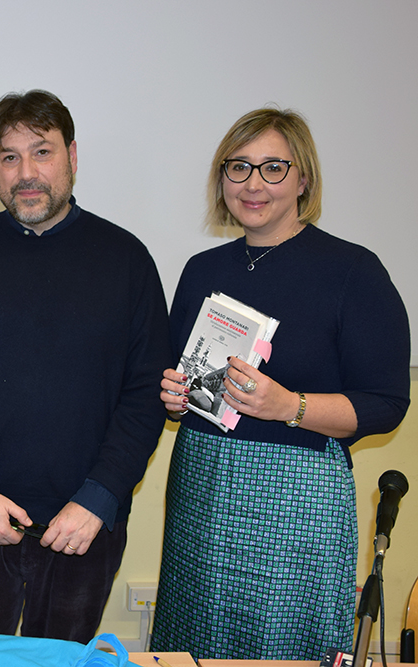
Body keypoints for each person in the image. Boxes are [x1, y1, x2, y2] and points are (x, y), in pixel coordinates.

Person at [0, 90, 171, 651]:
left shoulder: (127, 260)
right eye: (9, 157)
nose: (26, 173)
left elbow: (145, 393)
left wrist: (99, 499)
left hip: (83, 526)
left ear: (73, 156)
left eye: (42, 152)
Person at [149, 108, 411, 660]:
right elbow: (180, 375)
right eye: (238, 167)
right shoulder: (201, 269)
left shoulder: (353, 271)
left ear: (303, 178)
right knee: (194, 641)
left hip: (298, 499)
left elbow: (386, 403)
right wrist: (173, 399)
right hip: (201, 487)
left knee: (282, 647)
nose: (253, 184)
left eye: (272, 168)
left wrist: (288, 405)